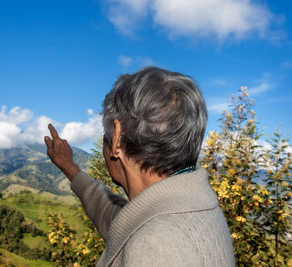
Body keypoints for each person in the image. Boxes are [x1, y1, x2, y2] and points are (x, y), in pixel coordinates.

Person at [44, 66, 235, 266]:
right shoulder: (193, 206)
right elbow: (119, 220)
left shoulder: (155, 247)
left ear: (117, 138)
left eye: (105, 135)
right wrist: (69, 167)